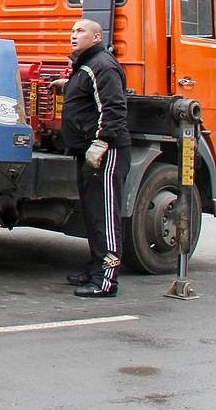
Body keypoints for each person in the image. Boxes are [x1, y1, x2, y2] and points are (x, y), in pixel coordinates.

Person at [56, 18, 131, 298]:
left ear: (96, 36)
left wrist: (101, 142)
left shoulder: (103, 64)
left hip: (105, 153)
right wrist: (68, 85)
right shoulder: (86, 65)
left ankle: (106, 280)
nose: (73, 36)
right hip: (86, 152)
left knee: (106, 217)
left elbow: (113, 107)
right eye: (72, 31)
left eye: (80, 31)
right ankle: (95, 269)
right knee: (92, 214)